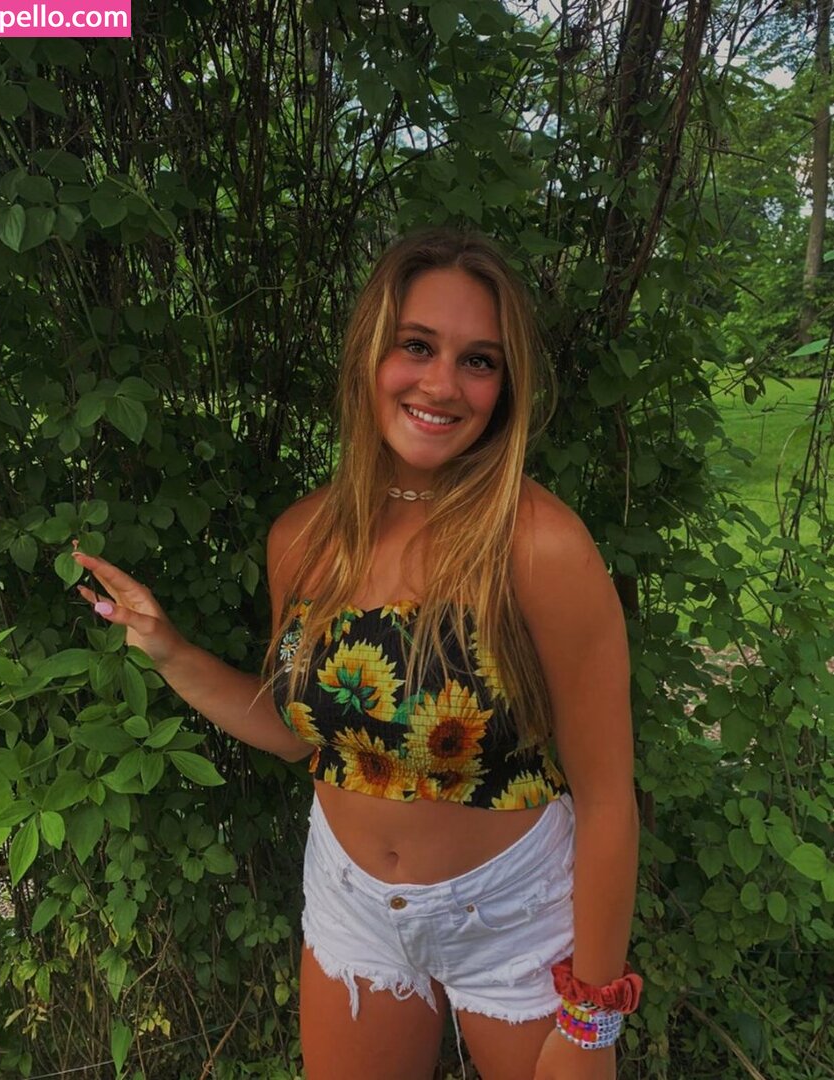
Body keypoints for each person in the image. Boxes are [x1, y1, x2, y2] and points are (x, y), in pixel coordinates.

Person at [72, 228, 641, 1080]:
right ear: (369, 354)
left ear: (506, 385)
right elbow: (301, 736)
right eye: (416, 346)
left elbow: (606, 802)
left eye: (478, 361)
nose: (441, 384)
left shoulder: (538, 546)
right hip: (352, 907)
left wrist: (590, 1017)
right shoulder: (306, 537)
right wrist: (168, 648)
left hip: (513, 916)